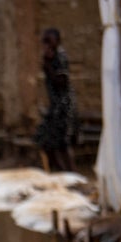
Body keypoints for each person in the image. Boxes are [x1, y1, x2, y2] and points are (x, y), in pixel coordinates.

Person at [35, 27, 77, 173]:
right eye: (44, 42)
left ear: (56, 42)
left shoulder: (60, 57)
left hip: (63, 107)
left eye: (49, 42)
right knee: (45, 141)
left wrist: (47, 65)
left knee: (62, 144)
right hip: (55, 107)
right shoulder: (50, 57)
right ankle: (61, 171)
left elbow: (62, 81)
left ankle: (71, 174)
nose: (46, 45)